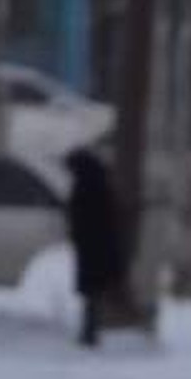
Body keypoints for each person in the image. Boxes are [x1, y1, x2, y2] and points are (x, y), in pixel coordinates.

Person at [63, 146, 126, 347]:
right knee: (94, 291)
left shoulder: (87, 185)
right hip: (98, 245)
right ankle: (91, 330)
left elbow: (83, 216)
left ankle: (91, 331)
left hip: (93, 246)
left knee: (93, 291)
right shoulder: (98, 182)